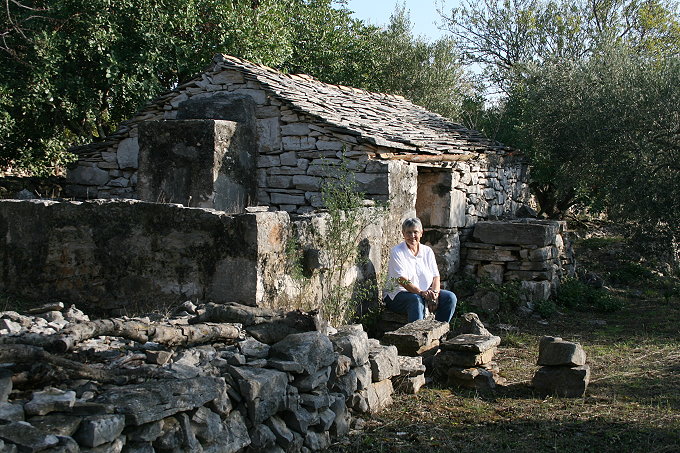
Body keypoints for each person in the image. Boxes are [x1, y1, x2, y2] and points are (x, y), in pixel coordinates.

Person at [383, 217, 457, 323]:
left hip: (425, 293)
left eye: (415, 232)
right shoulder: (397, 252)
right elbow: (401, 280)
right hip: (398, 295)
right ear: (403, 234)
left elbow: (436, 276)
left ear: (421, 233)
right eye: (408, 232)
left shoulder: (427, 251)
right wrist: (422, 293)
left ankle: (439, 332)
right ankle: (417, 336)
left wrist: (435, 294)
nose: (412, 236)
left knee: (450, 297)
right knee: (416, 300)